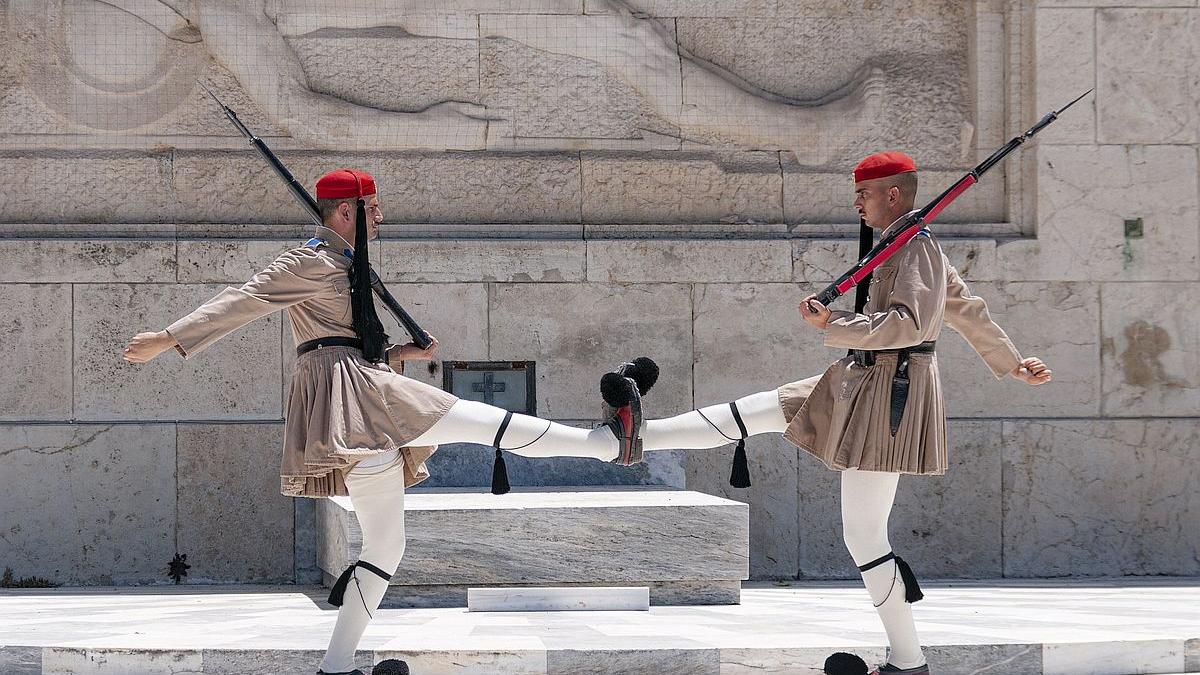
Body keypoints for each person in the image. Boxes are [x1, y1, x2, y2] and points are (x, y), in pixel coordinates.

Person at [122, 168, 650, 675]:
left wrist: (399, 354)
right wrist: (168, 338)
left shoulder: (345, 263)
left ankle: (336, 666)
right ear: (347, 211)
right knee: (484, 422)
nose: (380, 219)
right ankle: (607, 443)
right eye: (372, 209)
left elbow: (341, 336)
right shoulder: (310, 259)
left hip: (356, 393)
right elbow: (247, 297)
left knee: (384, 548)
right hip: (354, 393)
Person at [605, 151, 1052, 675]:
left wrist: (834, 324)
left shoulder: (918, 250)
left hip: (890, 397)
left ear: (893, 195)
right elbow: (965, 309)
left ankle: (909, 663)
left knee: (864, 534)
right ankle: (640, 435)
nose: (857, 202)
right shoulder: (899, 246)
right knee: (760, 410)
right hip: (857, 379)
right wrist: (1013, 362)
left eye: (864, 193)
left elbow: (912, 324)